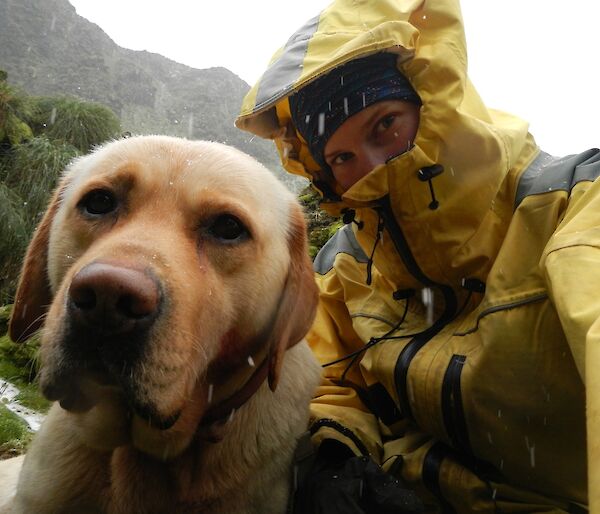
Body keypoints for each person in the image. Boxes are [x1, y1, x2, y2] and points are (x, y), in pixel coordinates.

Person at [236, 0, 600, 512]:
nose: (370, 169)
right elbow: (336, 383)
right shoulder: (343, 266)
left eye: (385, 125)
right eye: (341, 157)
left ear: (433, 106)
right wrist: (337, 456)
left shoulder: (575, 202)